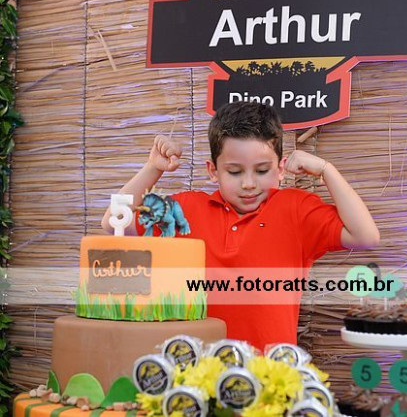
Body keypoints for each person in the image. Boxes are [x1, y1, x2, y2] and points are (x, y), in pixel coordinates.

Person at [102, 101, 380, 350]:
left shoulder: (295, 209)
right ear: (213, 171)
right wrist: (153, 167)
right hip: (198, 373)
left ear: (280, 169)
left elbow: (365, 236)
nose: (248, 183)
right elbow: (113, 222)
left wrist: (327, 170)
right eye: (234, 172)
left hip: (271, 376)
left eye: (262, 170)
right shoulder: (186, 210)